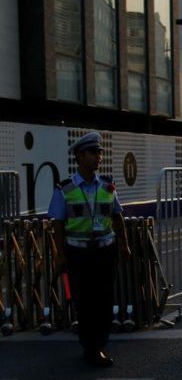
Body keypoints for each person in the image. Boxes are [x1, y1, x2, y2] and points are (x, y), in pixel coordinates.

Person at [49, 132, 131, 367]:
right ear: (79, 156)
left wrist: (124, 245)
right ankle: (91, 348)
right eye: (93, 153)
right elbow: (58, 223)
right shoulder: (65, 189)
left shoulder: (107, 186)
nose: (98, 157)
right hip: (79, 253)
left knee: (104, 299)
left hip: (105, 250)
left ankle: (99, 344)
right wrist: (60, 254)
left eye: (100, 153)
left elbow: (117, 217)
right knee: (85, 302)